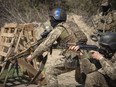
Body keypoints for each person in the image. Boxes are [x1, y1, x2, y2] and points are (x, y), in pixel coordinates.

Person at [26, 7, 87, 87]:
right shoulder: (71, 25)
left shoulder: (58, 29)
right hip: (84, 56)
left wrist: (32, 56)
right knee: (80, 79)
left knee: (50, 71)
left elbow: (44, 46)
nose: (50, 20)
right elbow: (75, 40)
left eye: (51, 18)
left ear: (56, 18)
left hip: (73, 58)